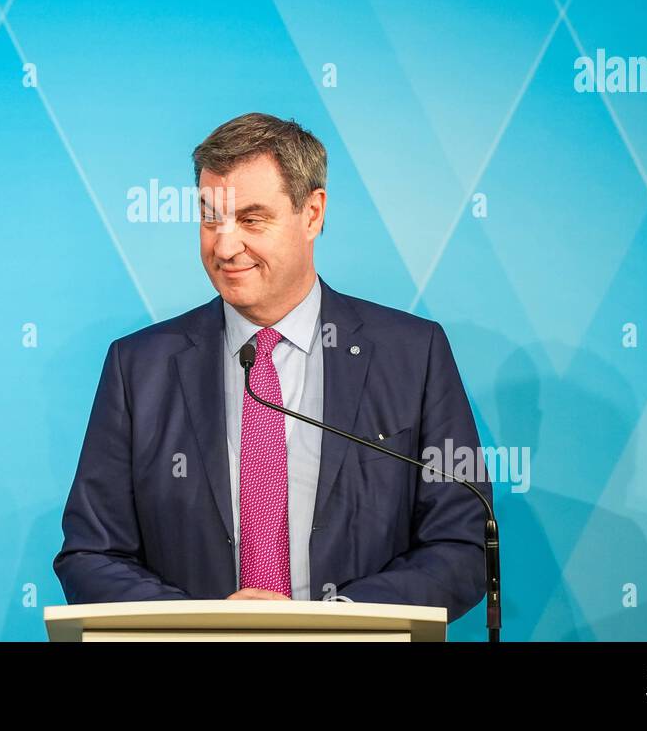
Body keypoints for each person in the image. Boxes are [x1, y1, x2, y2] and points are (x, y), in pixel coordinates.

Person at [53, 112, 490, 619]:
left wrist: (337, 622)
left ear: (313, 213)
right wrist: (210, 628)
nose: (224, 245)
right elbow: (91, 553)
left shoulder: (414, 355)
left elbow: (463, 544)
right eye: (211, 217)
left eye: (252, 219)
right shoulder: (138, 368)